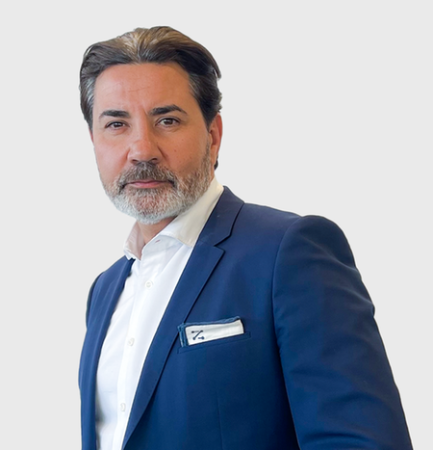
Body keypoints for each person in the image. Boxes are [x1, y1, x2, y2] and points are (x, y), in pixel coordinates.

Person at [78, 26, 413, 450]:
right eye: (116, 124)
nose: (142, 149)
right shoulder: (105, 290)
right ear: (94, 140)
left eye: (167, 120)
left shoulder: (289, 253)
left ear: (213, 135)